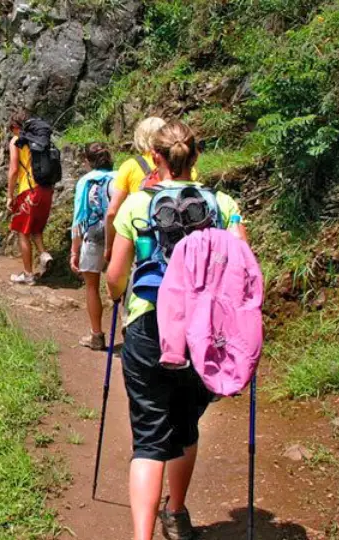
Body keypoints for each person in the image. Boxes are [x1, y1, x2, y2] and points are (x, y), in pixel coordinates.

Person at [105, 121, 247, 540]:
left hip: (149, 324)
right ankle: (177, 512)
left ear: (155, 158)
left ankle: (142, 536)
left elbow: (115, 276)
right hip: (204, 329)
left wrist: (118, 294)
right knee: (185, 425)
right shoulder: (222, 204)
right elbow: (243, 265)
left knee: (149, 434)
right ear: (197, 156)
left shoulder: (136, 204)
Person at [69, 143, 118, 350]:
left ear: (87, 161)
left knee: (91, 286)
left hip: (93, 234)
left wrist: (74, 250)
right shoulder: (119, 177)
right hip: (117, 234)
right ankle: (128, 331)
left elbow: (79, 218)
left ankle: (96, 336)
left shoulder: (85, 181)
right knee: (123, 286)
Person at [103, 117, 167, 262]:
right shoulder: (179, 165)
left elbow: (112, 212)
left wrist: (109, 247)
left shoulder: (130, 166)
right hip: (174, 236)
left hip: (141, 238)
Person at [7, 111, 55, 285]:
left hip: (29, 191)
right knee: (35, 228)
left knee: (22, 232)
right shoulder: (41, 140)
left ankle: (27, 275)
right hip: (46, 190)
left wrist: (9, 195)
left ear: (15, 127)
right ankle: (43, 254)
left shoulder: (16, 141)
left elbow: (13, 170)